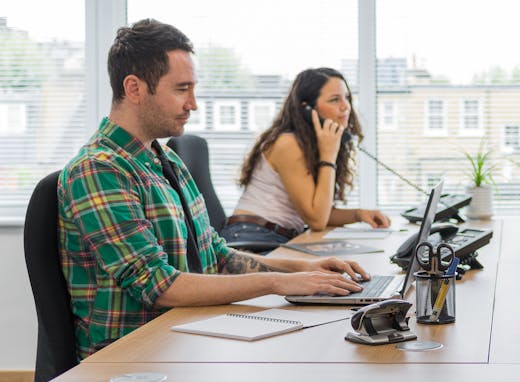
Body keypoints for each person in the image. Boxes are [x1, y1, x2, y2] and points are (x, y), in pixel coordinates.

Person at [58, 19, 370, 359]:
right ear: (134, 88)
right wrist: (278, 283)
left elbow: (216, 256)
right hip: (133, 356)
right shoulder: (100, 169)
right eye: (181, 89)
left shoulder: (166, 161)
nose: (193, 103)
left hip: (186, 333)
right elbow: (158, 285)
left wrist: (304, 270)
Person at [219, 67, 390, 246]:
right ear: (307, 109)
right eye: (334, 100)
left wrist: (359, 214)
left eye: (346, 97)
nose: (345, 106)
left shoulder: (310, 144)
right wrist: (328, 157)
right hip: (251, 238)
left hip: (274, 236)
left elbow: (319, 211)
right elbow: (317, 220)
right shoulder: (288, 144)